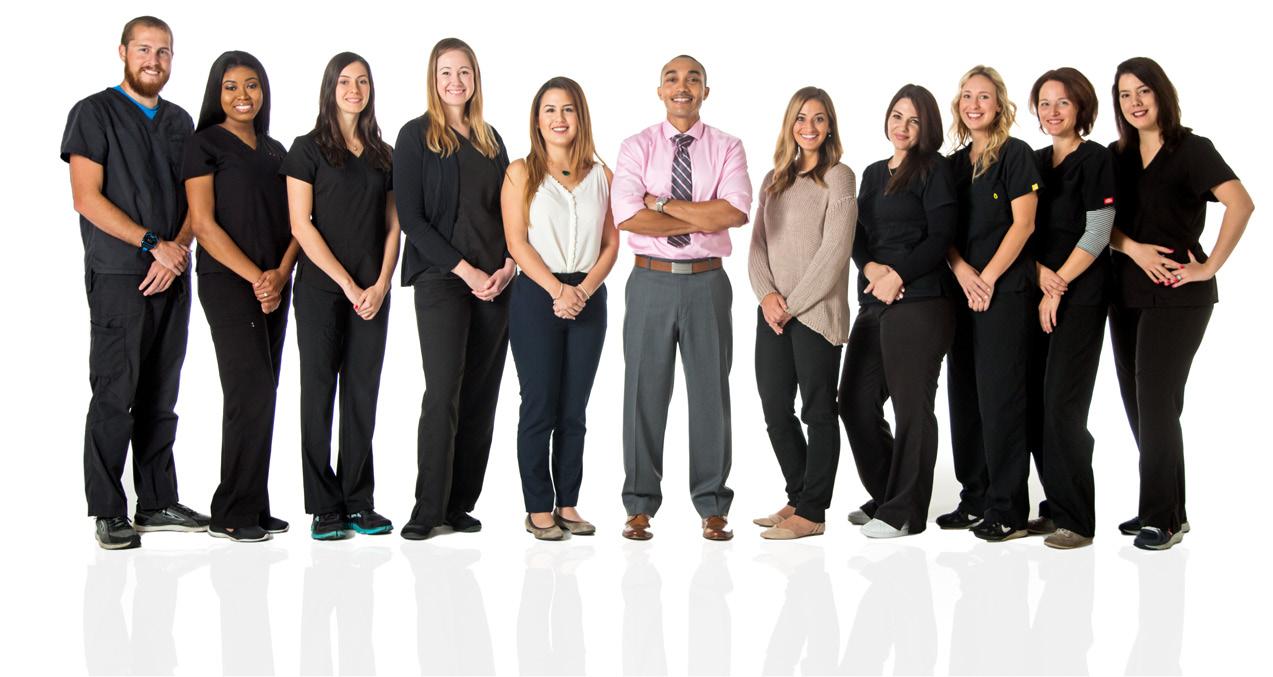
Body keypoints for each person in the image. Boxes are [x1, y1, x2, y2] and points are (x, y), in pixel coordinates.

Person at [62, 16, 210, 550]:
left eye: (163, 51)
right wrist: (152, 244)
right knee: (114, 393)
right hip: (119, 274)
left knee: (161, 393)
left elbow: (198, 202)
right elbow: (86, 197)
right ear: (123, 51)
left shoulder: (180, 121)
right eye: (144, 49)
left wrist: (177, 251)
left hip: (173, 273)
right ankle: (108, 510)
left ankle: (156, 501)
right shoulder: (93, 113)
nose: (154, 60)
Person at [1106, 57, 1253, 550]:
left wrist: (1208, 267)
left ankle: (1159, 520)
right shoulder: (1117, 156)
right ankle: (1172, 509)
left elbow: (1241, 203)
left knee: (1155, 401)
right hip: (1125, 293)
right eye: (1125, 94)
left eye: (1143, 91)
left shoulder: (1192, 149)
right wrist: (1134, 249)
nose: (1135, 102)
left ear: (1161, 93)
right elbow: (1101, 225)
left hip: (1177, 294)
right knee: (1141, 405)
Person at [611, 55, 752, 541]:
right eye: (672, 78)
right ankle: (639, 505)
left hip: (707, 282)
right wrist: (699, 214)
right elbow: (628, 217)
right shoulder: (636, 147)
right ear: (660, 90)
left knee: (711, 394)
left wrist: (663, 203)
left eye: (693, 79)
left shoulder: (728, 147)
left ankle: (712, 505)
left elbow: (733, 214)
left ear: (705, 91)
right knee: (643, 394)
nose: (682, 86)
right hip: (649, 281)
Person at [395, 38, 514, 540]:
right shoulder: (415, 135)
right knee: (443, 390)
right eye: (446, 72)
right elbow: (412, 219)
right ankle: (428, 508)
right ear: (433, 78)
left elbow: (513, 212)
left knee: (481, 394)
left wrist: (509, 266)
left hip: (495, 283)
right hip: (442, 278)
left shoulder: (491, 140)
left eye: (464, 72)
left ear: (475, 78)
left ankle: (459, 503)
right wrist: (466, 271)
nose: (455, 81)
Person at [285, 52, 400, 540]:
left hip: (373, 292)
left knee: (361, 394)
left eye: (363, 81)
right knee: (318, 393)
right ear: (330, 88)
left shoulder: (383, 154)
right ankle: (323, 505)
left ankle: (358, 500)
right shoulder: (307, 149)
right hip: (321, 291)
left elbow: (394, 226)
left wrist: (381, 284)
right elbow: (301, 225)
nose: (355, 89)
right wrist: (348, 285)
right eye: (346, 81)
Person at [184, 50, 297, 542]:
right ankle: (230, 512)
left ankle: (253, 502)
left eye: (251, 85)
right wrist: (257, 278)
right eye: (230, 86)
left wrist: (280, 274)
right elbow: (203, 225)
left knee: (264, 391)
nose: (242, 95)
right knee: (248, 391)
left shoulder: (276, 151)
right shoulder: (204, 144)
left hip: (276, 282)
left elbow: (298, 222)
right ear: (217, 93)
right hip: (229, 283)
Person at [502, 77, 619, 541]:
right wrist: (557, 290)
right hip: (537, 294)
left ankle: (567, 503)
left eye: (567, 109)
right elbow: (516, 242)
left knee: (574, 409)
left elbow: (611, 243)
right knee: (539, 405)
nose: (559, 118)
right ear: (537, 120)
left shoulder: (603, 177)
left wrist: (582, 291)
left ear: (580, 116)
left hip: (588, 296)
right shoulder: (519, 173)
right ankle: (537, 508)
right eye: (549, 110)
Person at [838, 84, 956, 538]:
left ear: (927, 127)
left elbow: (940, 236)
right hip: (874, 298)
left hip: (922, 299)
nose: (903, 127)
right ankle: (889, 493)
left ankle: (905, 512)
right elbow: (857, 233)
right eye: (897, 116)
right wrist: (870, 267)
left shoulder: (935, 169)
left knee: (911, 408)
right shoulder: (872, 173)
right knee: (854, 401)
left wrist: (898, 275)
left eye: (914, 120)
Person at [748, 86, 856, 540]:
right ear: (789, 124)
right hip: (773, 313)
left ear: (829, 126)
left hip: (816, 314)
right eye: (800, 118)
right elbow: (758, 246)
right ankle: (797, 496)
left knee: (818, 411)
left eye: (818, 118)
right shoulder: (774, 180)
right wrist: (767, 297)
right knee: (775, 408)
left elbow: (835, 251)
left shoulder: (840, 177)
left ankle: (812, 513)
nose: (808, 127)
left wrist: (790, 305)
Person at [939, 65, 1041, 541]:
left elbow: (1024, 224)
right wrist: (963, 272)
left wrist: (988, 278)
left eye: (983, 96)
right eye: (966, 96)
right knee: (964, 397)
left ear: (999, 104)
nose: (974, 104)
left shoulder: (1015, 155)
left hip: (1004, 293)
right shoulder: (952, 166)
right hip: (961, 291)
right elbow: (940, 229)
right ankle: (974, 498)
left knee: (1001, 399)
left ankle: (1009, 508)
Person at [1023, 67, 1116, 550]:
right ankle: (1056, 505)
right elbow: (1020, 230)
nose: (1053, 111)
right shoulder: (1034, 162)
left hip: (1080, 296)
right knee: (1035, 404)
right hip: (1037, 291)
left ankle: (1077, 519)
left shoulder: (1096, 159)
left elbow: (1098, 231)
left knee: (1063, 404)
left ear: (1081, 107)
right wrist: (1041, 277)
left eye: (1062, 102)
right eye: (1044, 103)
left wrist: (1057, 287)